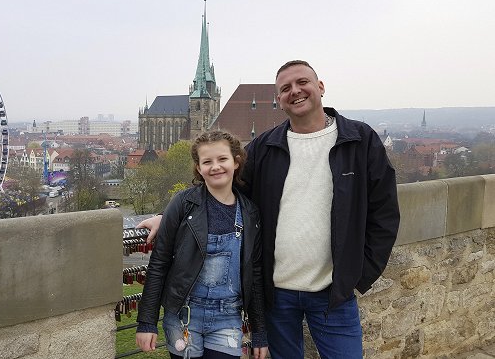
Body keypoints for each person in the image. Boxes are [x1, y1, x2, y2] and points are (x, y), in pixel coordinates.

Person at [138, 60, 400, 358]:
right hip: (277, 295)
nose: (295, 91)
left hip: (333, 293)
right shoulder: (265, 145)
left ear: (321, 87)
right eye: (285, 88)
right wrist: (169, 216)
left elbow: (385, 213)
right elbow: (221, 185)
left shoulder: (359, 140)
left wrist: (358, 275)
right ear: (279, 99)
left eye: (303, 82)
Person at [135, 131, 269, 359]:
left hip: (228, 316)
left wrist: (260, 332)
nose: (215, 166)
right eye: (207, 162)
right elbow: (159, 263)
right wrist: (147, 321)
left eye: (222, 159)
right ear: (198, 168)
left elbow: (254, 273)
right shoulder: (183, 203)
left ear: (236, 162)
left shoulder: (249, 212)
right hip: (184, 314)